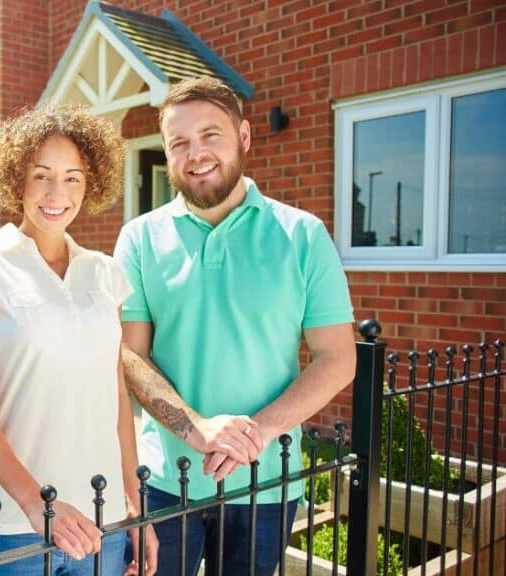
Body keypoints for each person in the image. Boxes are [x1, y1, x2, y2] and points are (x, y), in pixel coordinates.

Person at [113, 77, 356, 576]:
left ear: (244, 136)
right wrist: (198, 427)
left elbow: (338, 357)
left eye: (210, 135)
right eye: (179, 142)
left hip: (266, 481)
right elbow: (129, 355)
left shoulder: (303, 235)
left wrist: (256, 433)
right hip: (166, 480)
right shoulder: (139, 239)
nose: (195, 153)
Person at [0, 105, 157, 576]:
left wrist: (134, 504)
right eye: (41, 176)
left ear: (90, 183)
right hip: (21, 523)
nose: (57, 193)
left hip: (105, 519)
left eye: (73, 178)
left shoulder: (105, 274)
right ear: (17, 178)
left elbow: (115, 394)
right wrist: (41, 505)